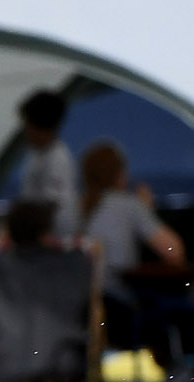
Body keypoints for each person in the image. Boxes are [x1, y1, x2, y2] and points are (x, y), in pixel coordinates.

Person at [78, 139, 187, 352]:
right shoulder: (130, 205)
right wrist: (148, 212)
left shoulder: (74, 209)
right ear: (120, 174)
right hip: (120, 308)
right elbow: (174, 251)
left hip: (79, 310)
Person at [15, 89, 80, 237]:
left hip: (54, 238)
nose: (25, 132)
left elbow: (50, 205)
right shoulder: (35, 156)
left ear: (42, 129)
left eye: (28, 125)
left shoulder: (58, 159)